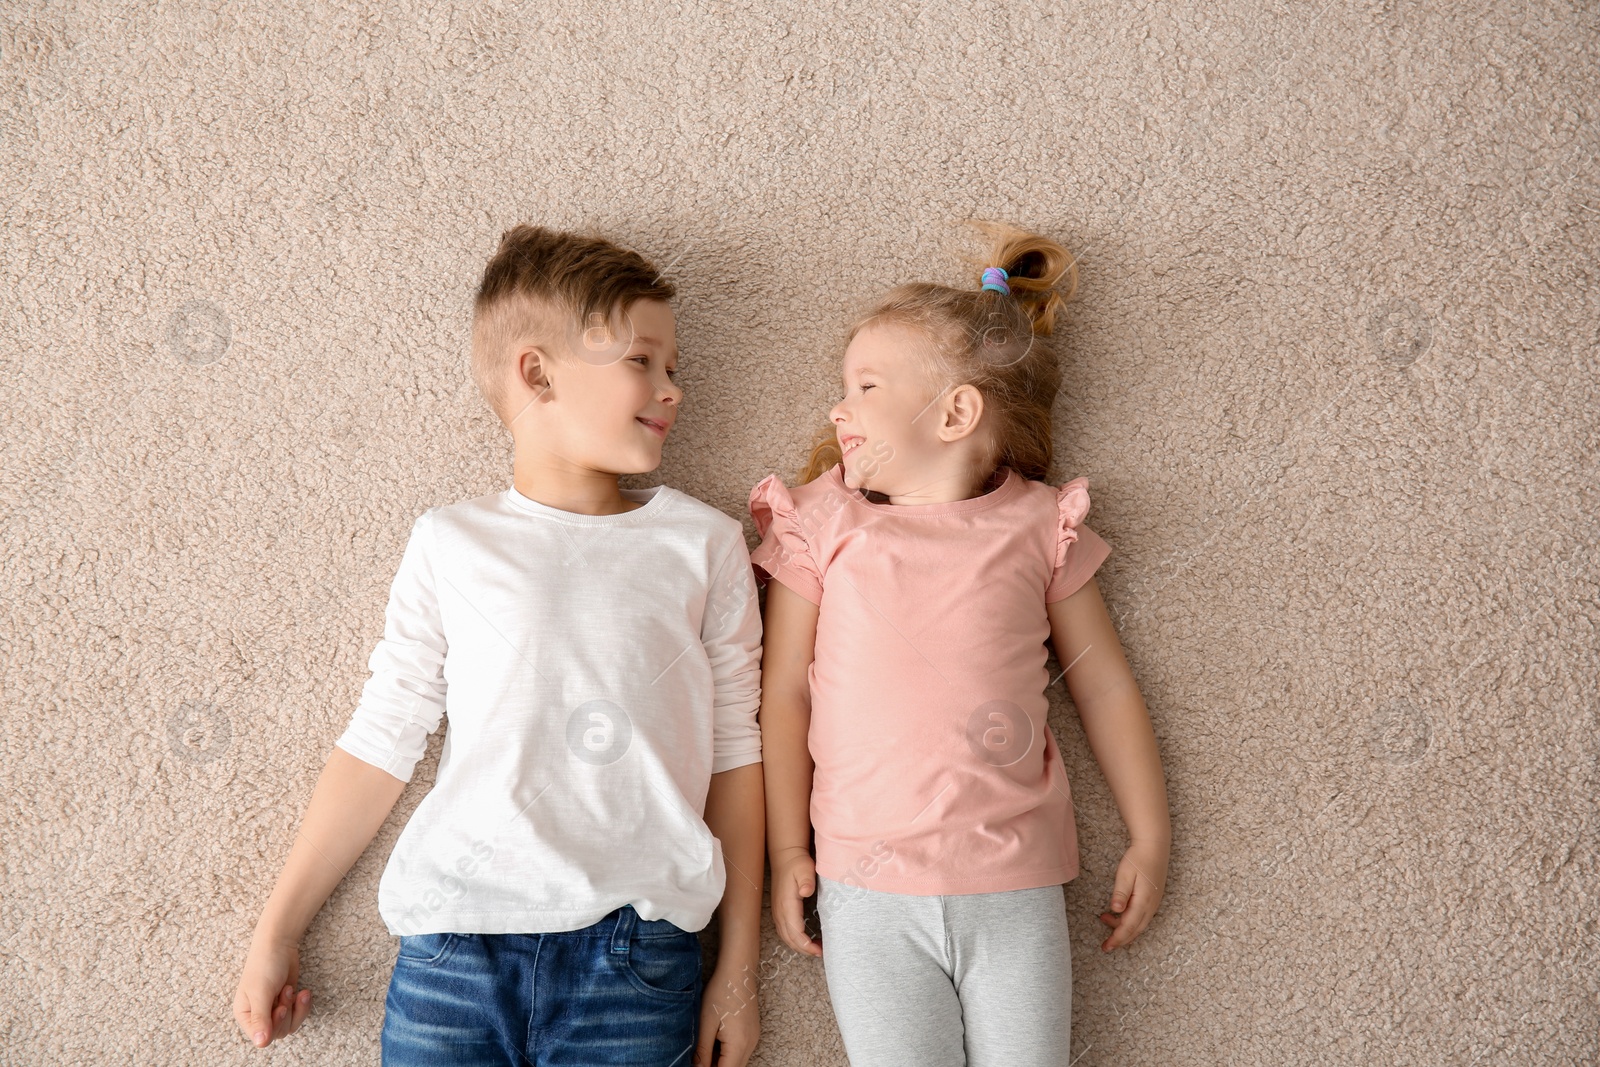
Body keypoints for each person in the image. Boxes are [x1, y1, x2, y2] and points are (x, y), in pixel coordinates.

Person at [232, 224, 766, 1067]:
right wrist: (277, 929)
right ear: (537, 371)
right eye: (643, 361)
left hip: (635, 960)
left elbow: (738, 752)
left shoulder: (704, 544)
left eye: (676, 368)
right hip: (453, 951)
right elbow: (382, 739)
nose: (672, 390)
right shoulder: (452, 542)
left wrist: (738, 969)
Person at [749, 222, 1171, 1066]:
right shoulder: (825, 521)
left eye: (864, 386)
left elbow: (1105, 686)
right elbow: (784, 693)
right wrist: (787, 847)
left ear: (957, 410)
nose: (839, 409)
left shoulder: (1035, 524)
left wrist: (1150, 832)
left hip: (1012, 878)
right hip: (865, 882)